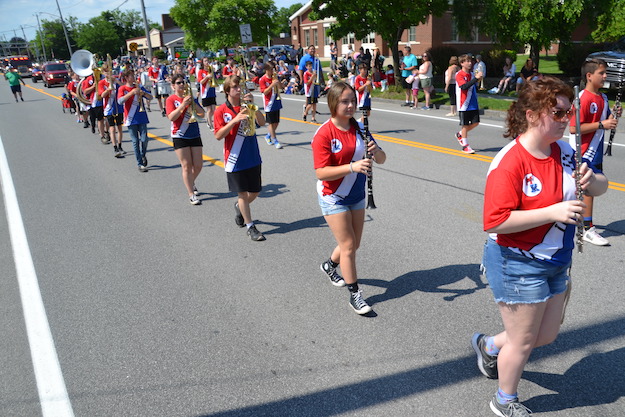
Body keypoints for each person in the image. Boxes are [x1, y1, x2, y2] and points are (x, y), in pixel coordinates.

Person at [474, 76, 608, 417]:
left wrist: (593, 181)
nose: (566, 120)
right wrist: (552, 212)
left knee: (544, 336)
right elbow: (494, 221)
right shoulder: (509, 161)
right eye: (558, 113)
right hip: (517, 261)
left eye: (568, 112)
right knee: (522, 341)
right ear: (532, 114)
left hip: (556, 258)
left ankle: (489, 345)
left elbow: (602, 187)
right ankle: (504, 400)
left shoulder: (565, 151)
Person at [312, 81, 387, 315]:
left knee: (354, 244)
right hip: (333, 196)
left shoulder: (360, 128)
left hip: (356, 194)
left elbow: (383, 159)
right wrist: (352, 167)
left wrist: (376, 151)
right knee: (347, 246)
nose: (351, 105)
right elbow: (321, 172)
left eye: (353, 100)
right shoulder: (324, 133)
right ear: (334, 103)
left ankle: (329, 265)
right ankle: (355, 294)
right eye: (345, 101)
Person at [568, 58, 620, 246]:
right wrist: (602, 124)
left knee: (586, 189)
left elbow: (606, 121)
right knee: (586, 188)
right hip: (583, 151)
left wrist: (613, 116)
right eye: (602, 73)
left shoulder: (603, 98)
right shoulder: (582, 98)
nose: (605, 76)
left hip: (596, 150)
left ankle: (580, 224)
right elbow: (574, 128)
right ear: (589, 76)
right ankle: (587, 229)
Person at [214, 75, 267, 241]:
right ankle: (250, 226)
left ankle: (239, 207)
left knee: (256, 190)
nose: (239, 89)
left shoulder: (247, 106)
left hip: (252, 156)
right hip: (234, 159)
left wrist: (254, 107)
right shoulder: (221, 110)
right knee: (242, 193)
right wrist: (234, 120)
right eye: (236, 87)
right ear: (228, 91)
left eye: (240, 86)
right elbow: (218, 135)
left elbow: (262, 122)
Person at [166, 73, 206, 205]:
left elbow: (201, 114)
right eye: (178, 83)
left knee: (198, 165)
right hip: (180, 135)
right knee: (186, 166)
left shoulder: (190, 98)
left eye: (183, 82)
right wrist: (183, 105)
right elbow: (171, 117)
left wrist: (193, 103)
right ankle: (191, 193)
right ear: (173, 86)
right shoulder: (171, 99)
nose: (181, 84)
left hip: (194, 133)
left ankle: (190, 181)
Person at [118, 68, 153, 172]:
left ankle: (143, 155)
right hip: (130, 118)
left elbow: (150, 97)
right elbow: (120, 101)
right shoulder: (122, 88)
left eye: (133, 75)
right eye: (131, 76)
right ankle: (140, 163)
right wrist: (132, 93)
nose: (133, 78)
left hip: (142, 117)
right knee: (135, 141)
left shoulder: (139, 86)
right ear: (126, 78)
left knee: (144, 139)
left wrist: (143, 94)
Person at [455, 54, 483, 154]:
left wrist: (478, 80)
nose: (470, 63)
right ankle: (465, 146)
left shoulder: (471, 74)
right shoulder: (459, 74)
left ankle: (460, 134)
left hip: (473, 102)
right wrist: (475, 79)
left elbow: (473, 86)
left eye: (470, 61)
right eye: (467, 61)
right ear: (462, 63)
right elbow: (464, 87)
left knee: (476, 122)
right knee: (465, 125)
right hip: (464, 104)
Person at [99, 64, 125, 157]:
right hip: (109, 109)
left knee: (120, 128)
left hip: (118, 107)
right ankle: (115, 147)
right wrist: (108, 89)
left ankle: (120, 145)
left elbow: (124, 88)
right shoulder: (102, 83)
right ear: (103, 73)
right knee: (112, 128)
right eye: (106, 71)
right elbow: (102, 95)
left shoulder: (116, 80)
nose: (108, 73)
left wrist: (117, 81)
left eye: (109, 71)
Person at [258, 62, 284, 149]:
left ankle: (268, 135)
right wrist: (272, 85)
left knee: (276, 122)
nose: (272, 71)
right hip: (269, 103)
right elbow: (264, 92)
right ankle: (275, 140)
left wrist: (278, 82)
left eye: (273, 69)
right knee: (270, 123)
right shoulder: (262, 79)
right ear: (266, 70)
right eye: (270, 69)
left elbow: (281, 88)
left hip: (276, 101)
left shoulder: (274, 77)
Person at [82, 71, 107, 143]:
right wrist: (93, 86)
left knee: (104, 120)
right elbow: (85, 92)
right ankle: (102, 136)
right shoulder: (89, 79)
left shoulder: (103, 78)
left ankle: (105, 132)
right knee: (99, 119)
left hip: (105, 101)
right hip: (95, 102)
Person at [197, 57, 218, 130]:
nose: (207, 62)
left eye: (208, 61)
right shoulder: (201, 71)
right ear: (202, 63)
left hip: (212, 91)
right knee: (209, 110)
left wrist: (213, 73)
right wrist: (207, 77)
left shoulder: (211, 70)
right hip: (205, 92)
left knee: (213, 109)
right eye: (205, 61)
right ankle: (210, 124)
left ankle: (212, 121)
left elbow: (216, 79)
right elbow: (201, 81)